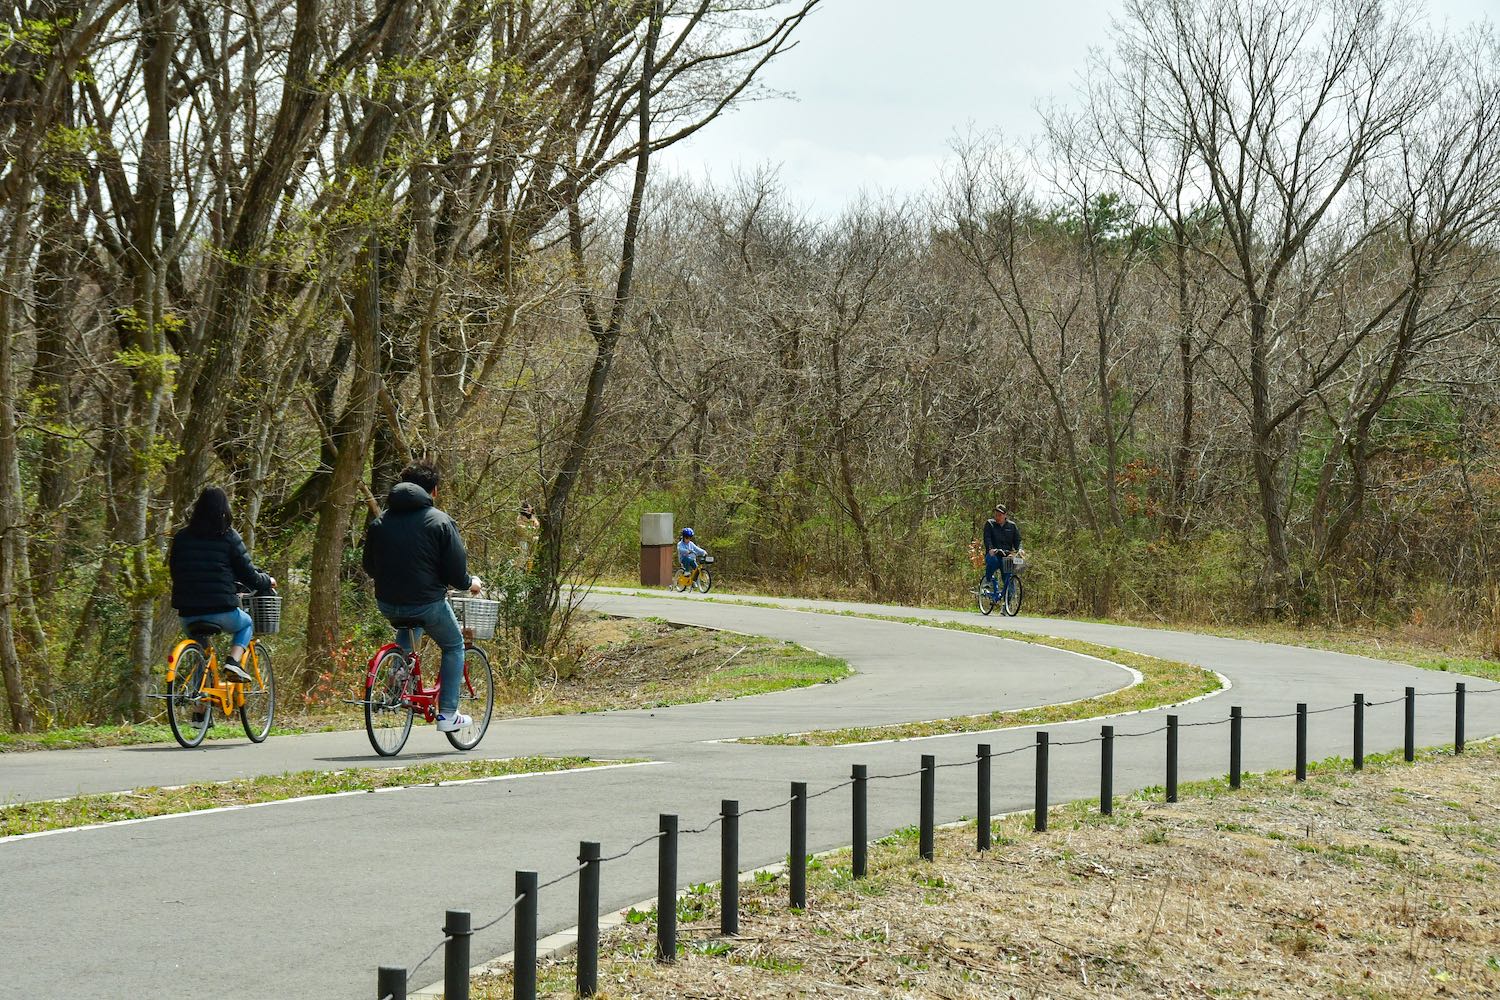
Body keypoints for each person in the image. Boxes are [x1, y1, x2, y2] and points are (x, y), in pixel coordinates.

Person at [362, 460, 483, 733]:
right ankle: (449, 714)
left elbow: (369, 566)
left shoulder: (380, 521)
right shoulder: (440, 521)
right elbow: (456, 572)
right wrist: (469, 583)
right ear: (434, 491)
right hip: (427, 603)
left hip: (387, 603)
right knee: (453, 645)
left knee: (409, 625)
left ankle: (396, 688)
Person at [169, 487, 276, 683]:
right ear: (224, 509)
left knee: (200, 653)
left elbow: (175, 571)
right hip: (221, 611)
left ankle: (199, 708)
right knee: (246, 624)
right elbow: (248, 575)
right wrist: (267, 581)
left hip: (187, 613)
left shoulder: (181, 537)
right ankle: (234, 663)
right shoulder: (228, 536)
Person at [982, 503, 1022, 599]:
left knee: (1009, 579)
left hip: (1006, 555)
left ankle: (1007, 605)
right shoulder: (990, 524)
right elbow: (987, 539)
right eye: (996, 515)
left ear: (1005, 515)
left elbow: (1018, 541)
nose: (997, 517)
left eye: (1000, 515)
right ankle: (988, 581)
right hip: (994, 554)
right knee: (993, 560)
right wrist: (990, 549)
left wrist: (1020, 550)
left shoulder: (1012, 526)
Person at [514, 502, 541, 572]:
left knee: (532, 556)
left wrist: (534, 529)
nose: (529, 509)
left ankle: (529, 572)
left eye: (530, 507)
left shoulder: (533, 517)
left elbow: (537, 526)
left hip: (532, 540)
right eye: (527, 508)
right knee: (523, 554)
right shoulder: (520, 517)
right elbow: (519, 527)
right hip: (523, 539)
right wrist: (529, 528)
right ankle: (519, 571)